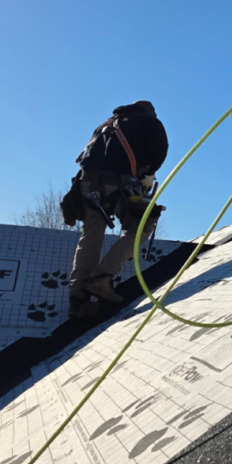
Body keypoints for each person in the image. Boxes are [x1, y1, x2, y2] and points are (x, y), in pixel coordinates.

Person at [66, 100, 168, 317]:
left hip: (87, 183)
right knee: (141, 227)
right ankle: (101, 278)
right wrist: (149, 173)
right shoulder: (149, 121)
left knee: (91, 234)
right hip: (122, 182)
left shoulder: (106, 124)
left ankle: (78, 295)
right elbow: (160, 150)